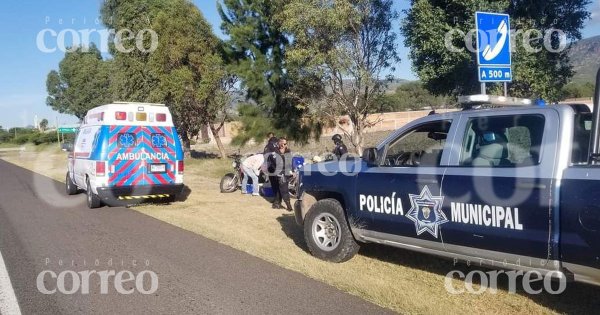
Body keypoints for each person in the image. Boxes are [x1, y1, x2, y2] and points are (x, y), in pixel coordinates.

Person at [267, 138, 293, 211]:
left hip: (286, 172)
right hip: (278, 172)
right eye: (282, 144)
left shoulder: (288, 151)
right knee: (284, 188)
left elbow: (289, 163)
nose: (283, 145)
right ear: (278, 144)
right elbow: (277, 163)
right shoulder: (274, 152)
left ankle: (276, 203)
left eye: (285, 144)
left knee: (280, 188)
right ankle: (288, 205)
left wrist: (291, 171)